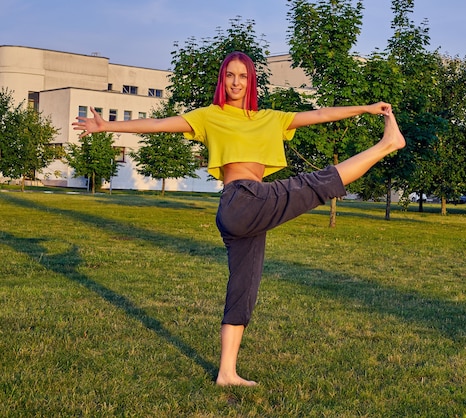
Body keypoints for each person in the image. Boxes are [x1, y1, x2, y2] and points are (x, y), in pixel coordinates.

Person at [73, 51, 405, 386]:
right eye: (229, 75)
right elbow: (159, 125)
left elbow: (319, 114)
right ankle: (386, 145)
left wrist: (364, 108)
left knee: (243, 288)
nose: (235, 82)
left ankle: (226, 373)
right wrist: (106, 126)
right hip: (241, 200)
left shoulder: (269, 119)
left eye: (242, 76)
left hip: (246, 210)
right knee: (314, 184)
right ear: (222, 80)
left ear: (251, 81)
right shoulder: (210, 116)